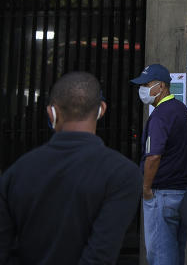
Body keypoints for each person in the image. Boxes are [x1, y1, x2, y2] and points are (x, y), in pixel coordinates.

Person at [0, 71, 141, 264]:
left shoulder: (15, 173)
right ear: (101, 110)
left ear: (52, 112)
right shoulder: (124, 175)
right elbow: (100, 256)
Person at [131, 63, 187, 265]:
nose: (142, 90)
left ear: (161, 87)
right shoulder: (180, 109)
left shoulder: (159, 115)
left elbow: (153, 156)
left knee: (160, 256)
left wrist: (146, 188)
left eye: (146, 84)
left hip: (161, 194)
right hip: (181, 193)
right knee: (175, 253)